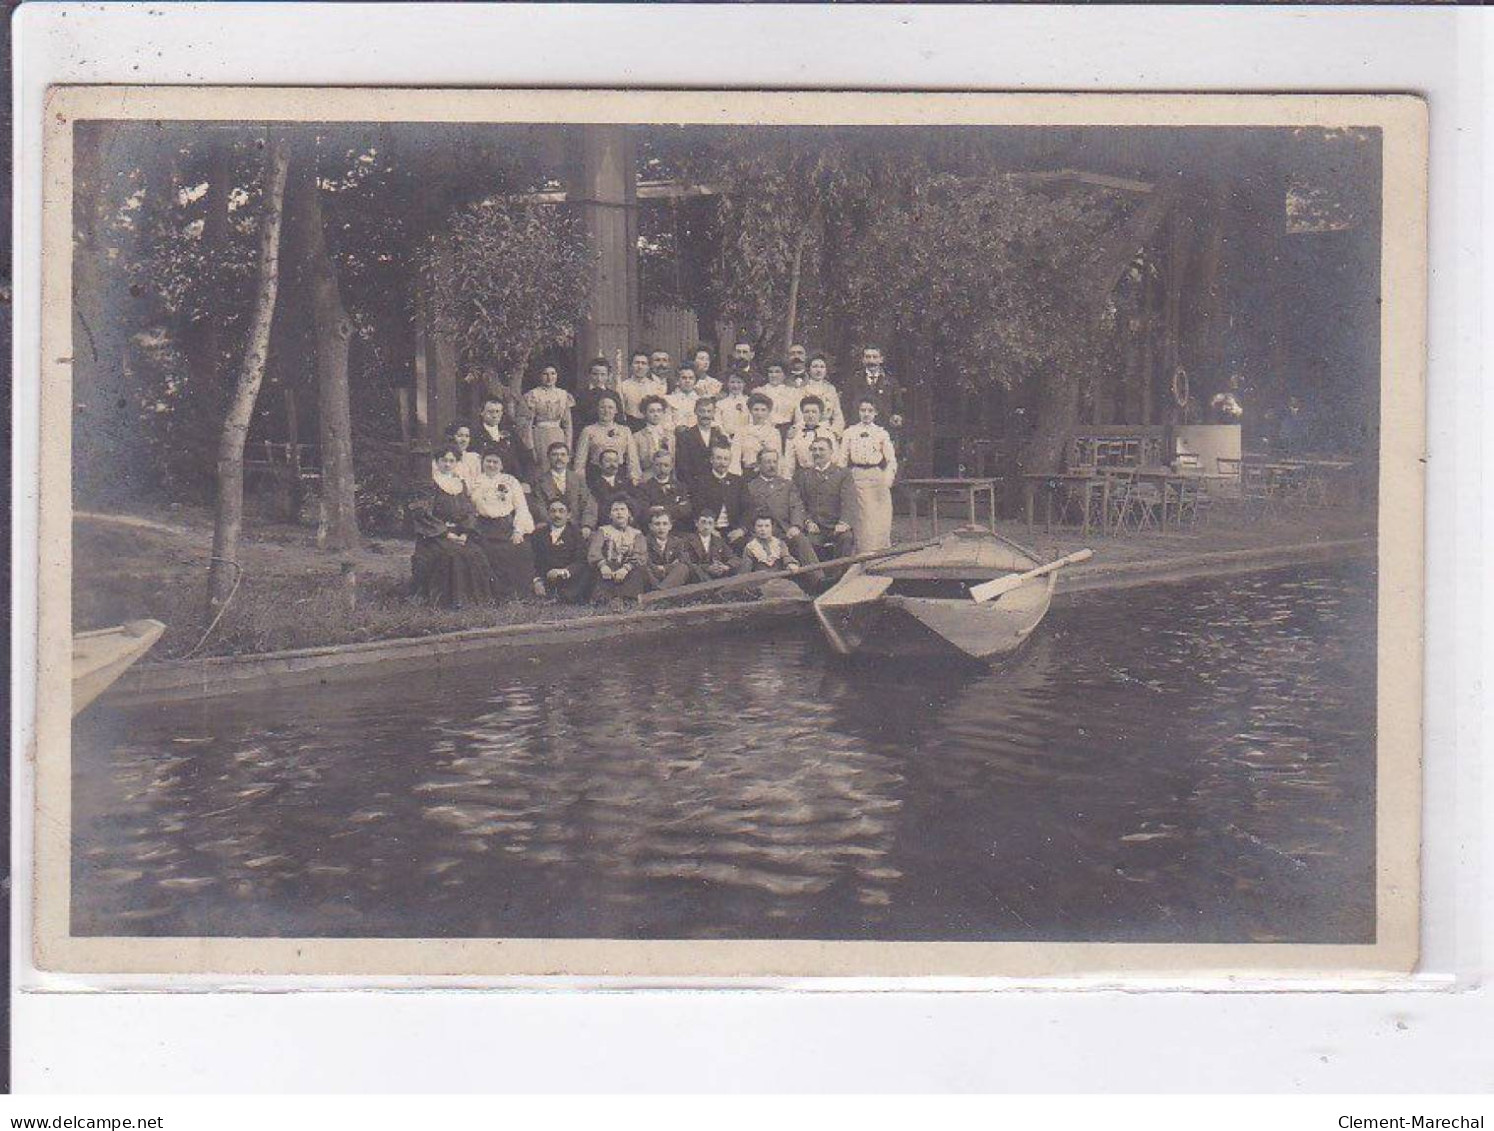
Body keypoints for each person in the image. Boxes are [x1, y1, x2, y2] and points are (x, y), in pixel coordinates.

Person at [410, 445, 496, 608]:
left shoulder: (460, 484)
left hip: (459, 533)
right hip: (435, 535)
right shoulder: (429, 484)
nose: (447, 464)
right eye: (444, 460)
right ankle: (452, 602)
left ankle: (477, 601)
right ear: (436, 462)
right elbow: (423, 513)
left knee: (476, 552)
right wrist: (446, 534)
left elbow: (469, 511)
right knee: (453, 555)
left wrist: (465, 533)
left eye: (452, 461)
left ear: (457, 463)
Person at [469, 451, 536, 599]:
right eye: (488, 461)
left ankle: (516, 595)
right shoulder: (474, 482)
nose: (491, 465)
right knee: (485, 552)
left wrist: (518, 531)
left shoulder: (510, 481)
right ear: (483, 463)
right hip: (482, 527)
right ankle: (490, 595)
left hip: (505, 526)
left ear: (502, 465)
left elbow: (521, 507)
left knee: (520, 549)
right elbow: (469, 508)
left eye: (495, 462)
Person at [742, 448, 820, 571]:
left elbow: (796, 506)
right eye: (768, 462)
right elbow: (746, 513)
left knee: (800, 540)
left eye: (774, 462)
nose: (772, 465)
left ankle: (818, 578)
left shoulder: (787, 484)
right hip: (762, 533)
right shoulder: (751, 486)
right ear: (759, 464)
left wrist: (796, 526)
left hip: (785, 531)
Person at [842, 396, 898, 551]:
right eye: (862, 410)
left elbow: (891, 460)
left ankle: (880, 552)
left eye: (870, 411)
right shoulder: (850, 432)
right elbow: (842, 459)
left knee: (879, 517)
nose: (866, 414)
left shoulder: (881, 433)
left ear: (876, 413)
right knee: (863, 517)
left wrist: (887, 481)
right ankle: (863, 554)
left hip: (876, 477)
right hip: (857, 476)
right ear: (858, 412)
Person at [794, 435, 858, 570]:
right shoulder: (804, 475)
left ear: (831, 452)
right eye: (814, 450)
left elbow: (849, 501)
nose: (817, 453)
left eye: (821, 449)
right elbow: (799, 503)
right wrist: (807, 522)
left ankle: (840, 579)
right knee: (806, 543)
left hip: (837, 526)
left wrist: (844, 523)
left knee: (846, 539)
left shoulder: (843, 473)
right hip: (815, 527)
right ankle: (819, 580)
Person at [843, 344, 907, 452]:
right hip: (859, 432)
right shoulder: (853, 381)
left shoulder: (891, 382)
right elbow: (845, 406)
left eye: (874, 357)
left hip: (884, 431)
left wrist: (898, 417)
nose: (871, 360)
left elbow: (898, 408)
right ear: (863, 360)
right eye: (868, 357)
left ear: (881, 359)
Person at [588, 499, 649, 605]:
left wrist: (626, 568)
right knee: (600, 577)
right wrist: (603, 566)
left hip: (629, 569)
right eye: (615, 510)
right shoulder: (603, 531)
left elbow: (640, 554)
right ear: (610, 515)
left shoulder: (636, 534)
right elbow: (594, 551)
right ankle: (605, 599)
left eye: (622, 509)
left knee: (637, 573)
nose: (619, 513)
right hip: (607, 567)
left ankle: (627, 598)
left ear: (629, 513)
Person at [530, 441, 597, 536]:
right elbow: (539, 506)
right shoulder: (540, 481)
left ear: (569, 458)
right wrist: (554, 524)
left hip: (576, 528)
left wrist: (587, 525)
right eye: (555, 455)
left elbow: (588, 503)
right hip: (551, 527)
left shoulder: (578, 479)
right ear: (548, 457)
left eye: (563, 455)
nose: (559, 458)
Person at [531, 498, 591, 604]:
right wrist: (537, 580)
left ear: (568, 515)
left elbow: (581, 560)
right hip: (547, 577)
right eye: (553, 511)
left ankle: (562, 598)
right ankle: (547, 595)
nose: (557, 515)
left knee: (586, 571)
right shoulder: (539, 534)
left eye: (561, 511)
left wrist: (562, 572)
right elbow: (534, 560)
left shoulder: (576, 533)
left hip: (568, 576)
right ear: (548, 514)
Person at [690, 442, 748, 549]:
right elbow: (696, 508)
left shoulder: (738, 482)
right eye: (718, 458)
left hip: (734, 531)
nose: (722, 462)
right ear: (711, 460)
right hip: (708, 530)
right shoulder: (701, 481)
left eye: (726, 459)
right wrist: (710, 529)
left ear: (730, 461)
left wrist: (741, 530)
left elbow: (749, 508)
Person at [573, 392, 641, 479]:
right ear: (597, 409)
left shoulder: (625, 431)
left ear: (616, 410)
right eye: (602, 407)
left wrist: (634, 478)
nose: (606, 411)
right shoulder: (588, 430)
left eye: (610, 407)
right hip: (595, 475)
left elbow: (632, 459)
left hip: (619, 475)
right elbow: (580, 460)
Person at [674, 396, 733, 491]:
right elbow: (682, 465)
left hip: (716, 486)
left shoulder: (719, 435)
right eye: (702, 411)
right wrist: (693, 487)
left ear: (714, 413)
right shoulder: (686, 436)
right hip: (694, 486)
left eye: (709, 411)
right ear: (695, 412)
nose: (706, 415)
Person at [522, 365, 575, 467]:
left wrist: (568, 445)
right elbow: (528, 424)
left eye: (553, 373)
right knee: (542, 467)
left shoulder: (563, 395)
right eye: (545, 374)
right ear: (540, 376)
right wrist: (530, 447)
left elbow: (568, 424)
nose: (549, 377)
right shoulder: (533, 395)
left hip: (558, 435)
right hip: (540, 436)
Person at [785, 395, 844, 474]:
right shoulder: (795, 433)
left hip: (826, 475)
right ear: (802, 414)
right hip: (805, 476)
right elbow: (789, 462)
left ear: (820, 414)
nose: (810, 415)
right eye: (806, 412)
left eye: (814, 412)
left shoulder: (828, 433)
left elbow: (836, 459)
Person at [635, 449, 693, 529]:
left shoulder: (680, 487)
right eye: (658, 465)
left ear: (671, 466)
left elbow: (686, 509)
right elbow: (644, 512)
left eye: (666, 465)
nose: (661, 468)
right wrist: (675, 508)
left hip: (677, 530)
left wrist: (663, 509)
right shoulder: (644, 487)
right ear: (653, 465)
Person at [731, 392, 784, 478]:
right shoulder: (741, 431)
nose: (759, 414)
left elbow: (778, 457)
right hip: (748, 473)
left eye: (763, 410)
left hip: (769, 473)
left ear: (768, 412)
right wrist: (736, 477)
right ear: (750, 411)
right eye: (756, 409)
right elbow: (735, 456)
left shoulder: (774, 432)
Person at [472, 398, 526, 481]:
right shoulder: (474, 434)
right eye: (490, 411)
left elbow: (523, 456)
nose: (494, 415)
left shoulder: (510, 433)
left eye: (497, 412)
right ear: (482, 412)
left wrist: (524, 481)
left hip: (510, 479)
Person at [641, 506, 693, 593]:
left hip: (671, 576)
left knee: (683, 568)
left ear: (670, 526)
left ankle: (660, 592)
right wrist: (656, 568)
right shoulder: (645, 541)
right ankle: (661, 593)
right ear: (650, 526)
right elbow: (645, 559)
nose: (661, 528)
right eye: (657, 524)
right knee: (642, 568)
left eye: (665, 524)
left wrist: (665, 568)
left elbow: (683, 559)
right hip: (653, 576)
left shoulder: (677, 542)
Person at [793, 353, 845, 434]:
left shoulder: (831, 389)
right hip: (806, 429)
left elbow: (838, 416)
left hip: (827, 430)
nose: (818, 370)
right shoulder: (801, 389)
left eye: (822, 367)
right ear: (809, 369)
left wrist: (834, 431)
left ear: (826, 370)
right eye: (815, 366)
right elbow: (798, 415)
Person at [681, 510, 738, 582]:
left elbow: (735, 558)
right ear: (696, 523)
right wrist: (707, 568)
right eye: (703, 522)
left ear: (714, 525)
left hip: (716, 577)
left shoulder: (719, 541)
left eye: (710, 523)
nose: (706, 527)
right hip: (695, 579)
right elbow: (686, 562)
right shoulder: (687, 540)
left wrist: (725, 566)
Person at [586, 446, 637, 524]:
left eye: (615, 461)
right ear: (600, 464)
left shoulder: (627, 482)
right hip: (602, 523)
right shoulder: (592, 484)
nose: (612, 464)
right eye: (608, 461)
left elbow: (634, 503)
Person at [617, 350, 666, 431]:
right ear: (631, 365)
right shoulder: (623, 386)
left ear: (648, 367)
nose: (640, 366)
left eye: (643, 363)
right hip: (630, 425)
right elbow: (620, 411)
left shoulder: (656, 387)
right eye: (636, 363)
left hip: (651, 426)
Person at [632, 395, 676, 480]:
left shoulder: (670, 436)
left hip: (667, 478)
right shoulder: (637, 437)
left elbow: (673, 461)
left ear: (663, 413)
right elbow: (635, 464)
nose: (656, 414)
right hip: (646, 478)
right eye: (651, 411)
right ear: (644, 413)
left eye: (659, 411)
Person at [761, 361, 803, 443]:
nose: (774, 375)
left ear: (784, 375)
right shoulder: (761, 392)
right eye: (770, 372)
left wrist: (795, 429)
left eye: (777, 372)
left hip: (787, 433)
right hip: (765, 432)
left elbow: (800, 418)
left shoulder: (793, 392)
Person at [574, 356, 616, 429]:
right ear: (589, 374)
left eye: (603, 374)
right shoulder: (579, 395)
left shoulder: (613, 395)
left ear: (608, 376)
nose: (599, 379)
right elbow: (575, 420)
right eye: (595, 374)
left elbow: (619, 419)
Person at [445, 422, 483, 489]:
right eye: (460, 436)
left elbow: (479, 483)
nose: (464, 440)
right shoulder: (445, 459)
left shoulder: (475, 458)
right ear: (451, 437)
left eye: (467, 436)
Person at [715, 372, 752, 438]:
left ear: (744, 384)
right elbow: (718, 424)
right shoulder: (720, 404)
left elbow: (752, 422)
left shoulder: (750, 402)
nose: (735, 386)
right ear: (727, 384)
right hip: (726, 439)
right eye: (732, 382)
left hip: (746, 438)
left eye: (739, 382)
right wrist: (727, 437)